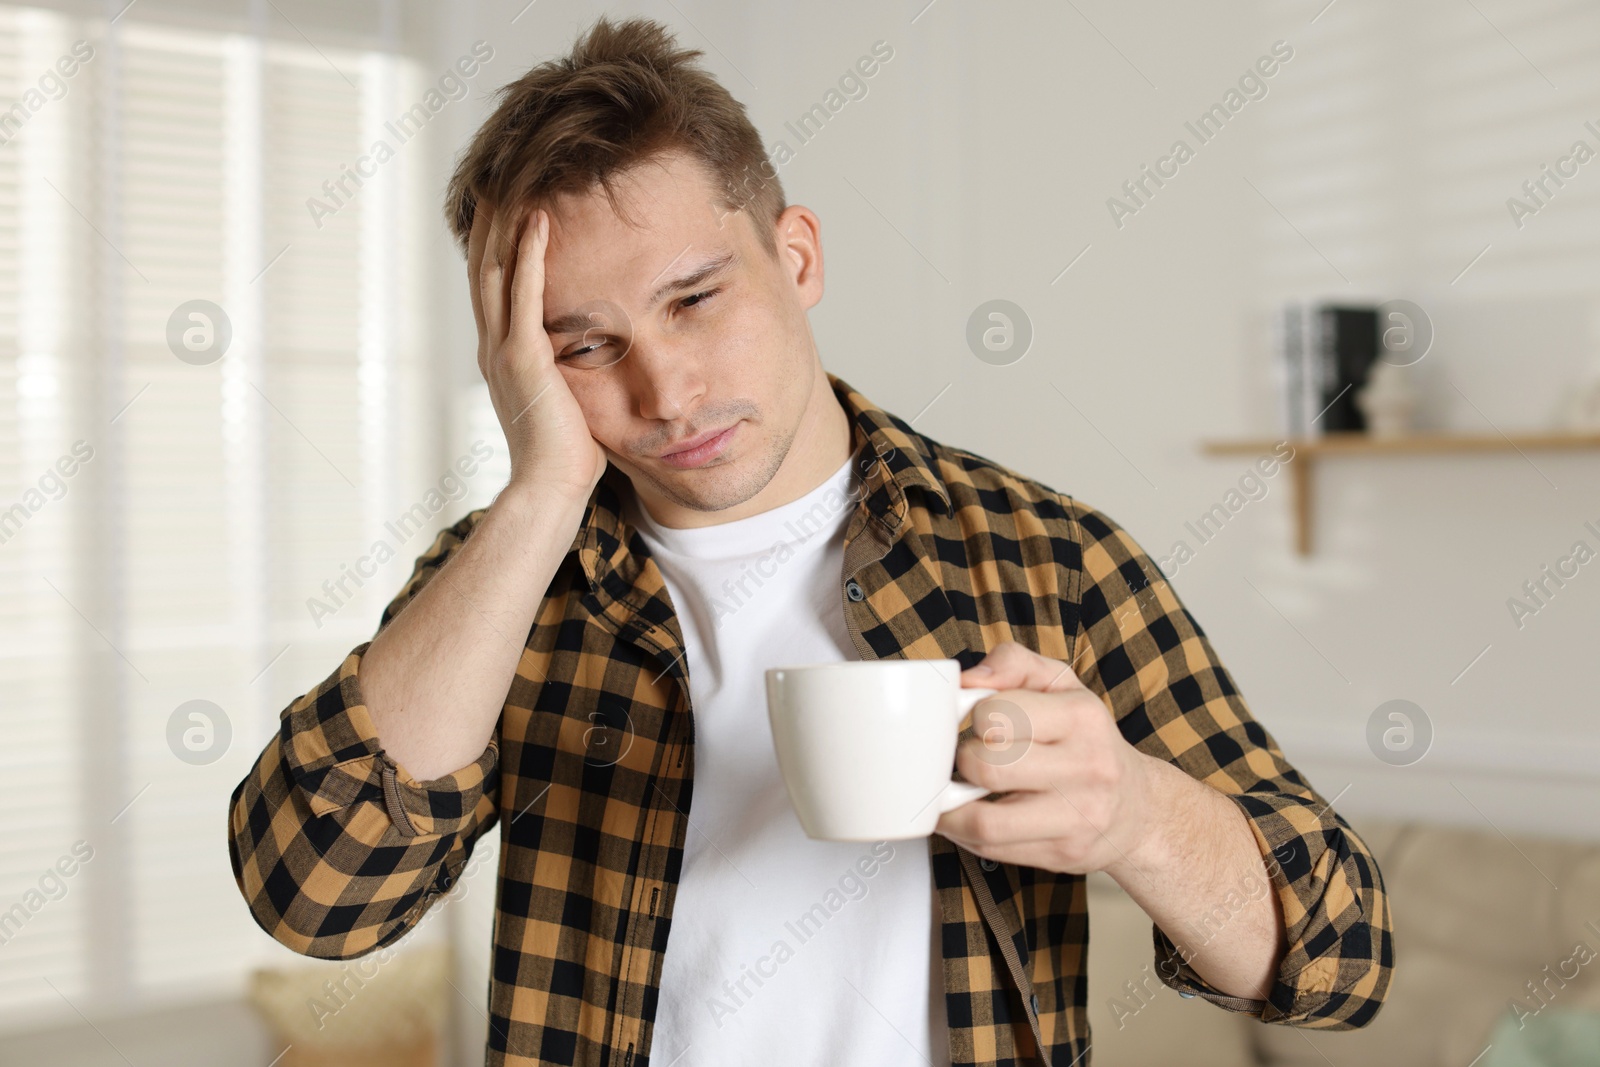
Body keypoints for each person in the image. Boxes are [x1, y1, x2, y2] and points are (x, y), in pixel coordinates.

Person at [227, 15, 1392, 1067]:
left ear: (795, 256)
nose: (668, 390)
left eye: (694, 299)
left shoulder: (1049, 558)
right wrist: (536, 494)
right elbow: (318, 898)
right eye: (584, 346)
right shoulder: (507, 584)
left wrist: (1135, 814)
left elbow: (1340, 957)